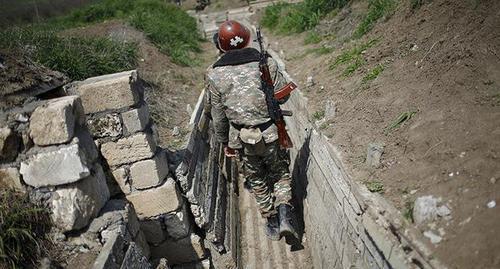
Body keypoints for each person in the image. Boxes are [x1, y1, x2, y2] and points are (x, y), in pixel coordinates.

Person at [205, 20, 298, 241]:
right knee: (279, 173)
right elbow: (283, 95)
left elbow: (217, 115)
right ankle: (285, 212)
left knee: (256, 178)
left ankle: (272, 220)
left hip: (241, 138)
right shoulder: (265, 62)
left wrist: (224, 142)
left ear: (221, 45)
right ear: (247, 38)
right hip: (270, 132)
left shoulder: (213, 74)